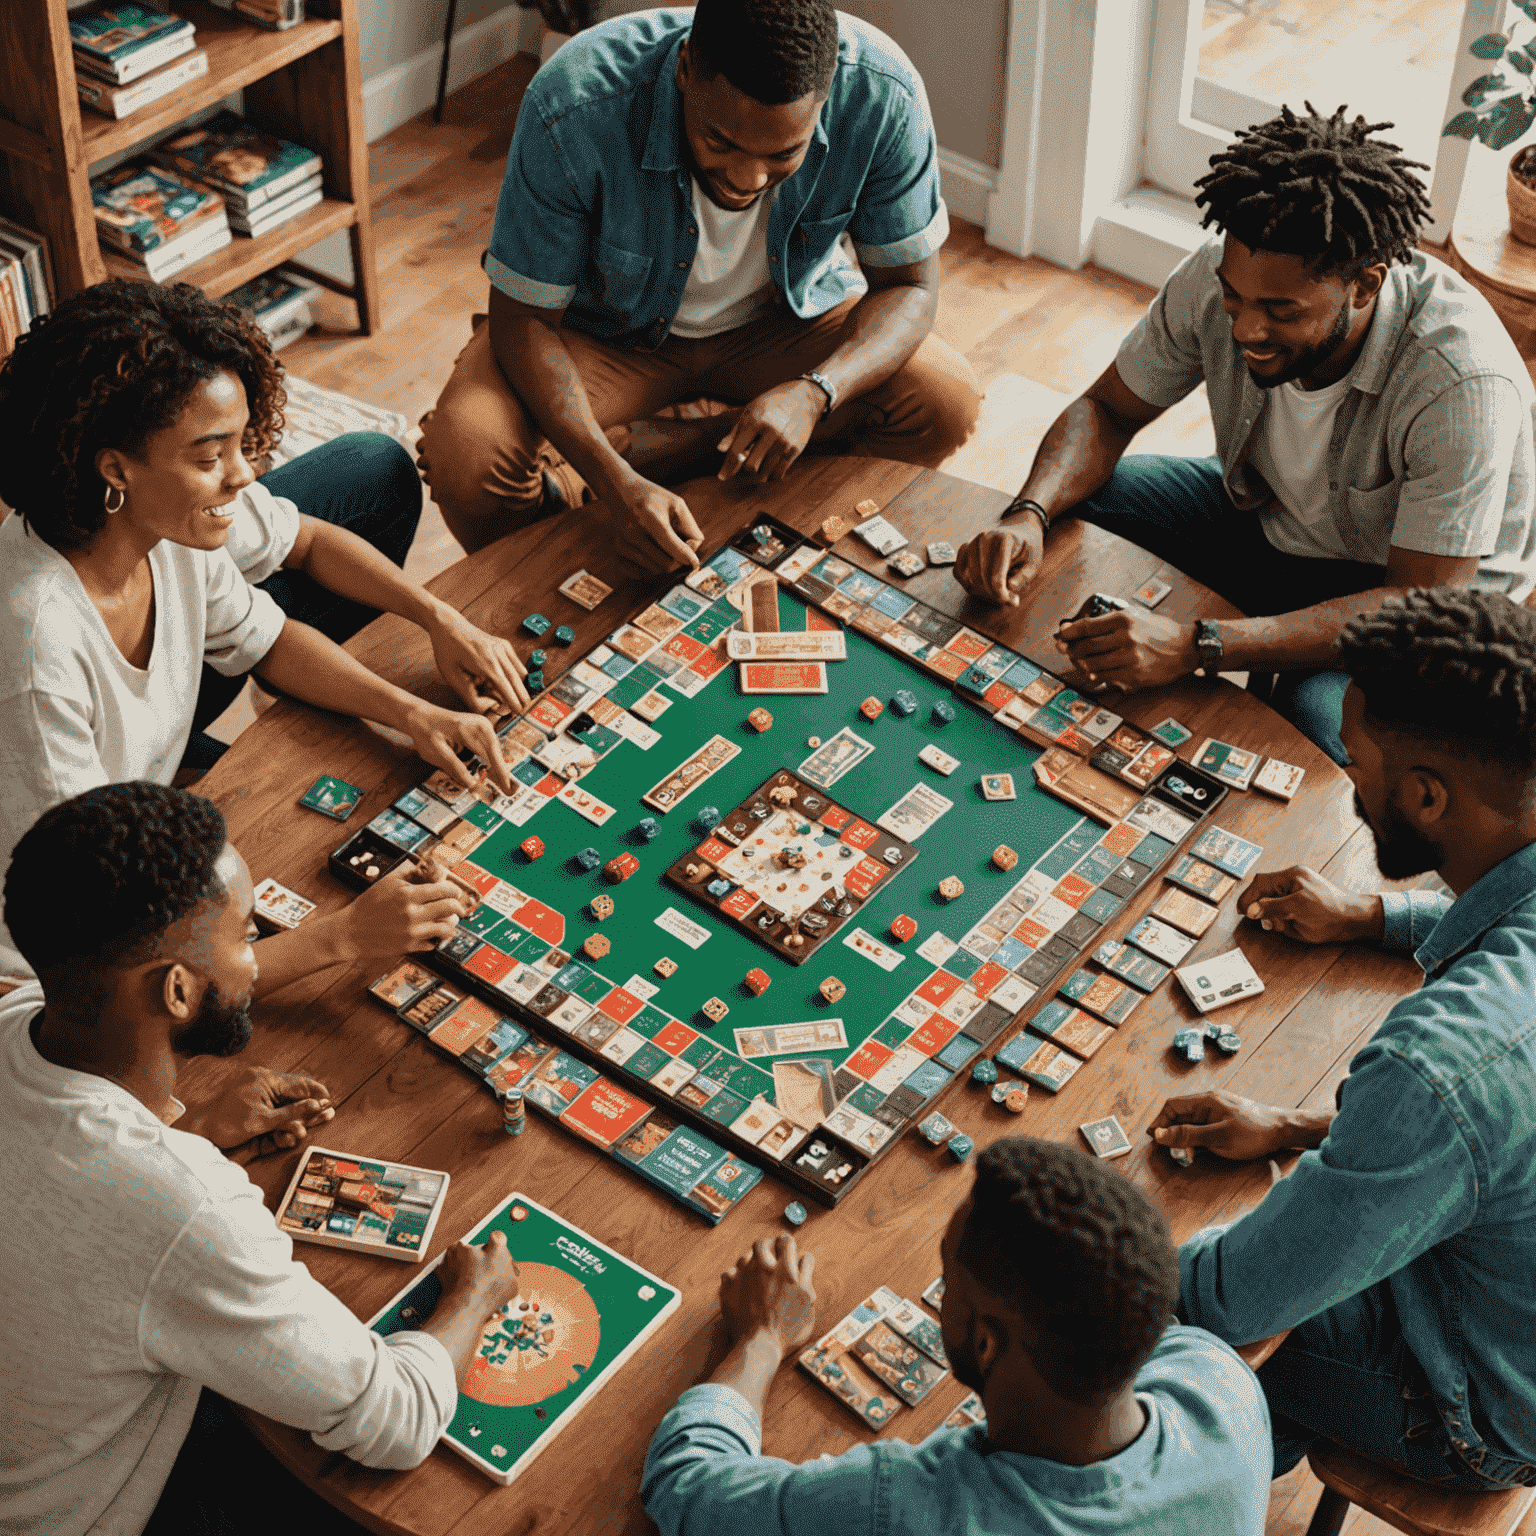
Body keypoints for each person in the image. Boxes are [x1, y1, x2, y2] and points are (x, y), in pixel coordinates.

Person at [0, 781, 522, 1536]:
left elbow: (65, 1189)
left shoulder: (17, 1008)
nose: (255, 961)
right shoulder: (185, 1208)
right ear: (177, 991)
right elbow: (397, 1420)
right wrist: (475, 1297)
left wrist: (191, 1131)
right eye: (246, 938)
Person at [953, 104, 1535, 764]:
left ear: (1366, 283)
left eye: (1280, 310)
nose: (1244, 330)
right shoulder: (1218, 278)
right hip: (1274, 522)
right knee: (1089, 501)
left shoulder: (1459, 382)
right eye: (1236, 297)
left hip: (1419, 607)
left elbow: (1417, 604)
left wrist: (1199, 644)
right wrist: (1027, 513)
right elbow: (1108, 411)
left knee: (1321, 724)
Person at [0, 279, 516, 976]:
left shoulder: (162, 525)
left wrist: (413, 711)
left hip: (133, 807)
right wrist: (340, 939)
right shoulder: (35, 650)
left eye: (243, 444)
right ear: (115, 468)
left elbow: (269, 639)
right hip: (56, 947)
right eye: (210, 456)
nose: (243, 476)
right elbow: (102, 966)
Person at [1149, 588, 1536, 1489]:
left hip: (1480, 1406)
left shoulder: (1434, 1070)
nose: (1352, 783)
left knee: (1146, 1321)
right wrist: (1374, 915)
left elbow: (1230, 1295)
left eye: (1358, 764)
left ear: (1428, 795)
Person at [417, 0, 981, 561]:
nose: (747, 178)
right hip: (605, 336)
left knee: (943, 400)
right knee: (468, 457)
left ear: (828, 93)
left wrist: (815, 394)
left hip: (784, 323)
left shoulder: (884, 93)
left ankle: (678, 448)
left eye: (785, 153)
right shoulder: (575, 101)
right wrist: (614, 482)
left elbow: (910, 288)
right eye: (721, 141)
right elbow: (524, 320)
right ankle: (630, 484)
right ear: (686, 67)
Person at [642, 1137, 1272, 1535]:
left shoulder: (908, 1509)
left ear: (981, 1342)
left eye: (949, 1284)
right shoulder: (1220, 1384)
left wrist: (761, 1338)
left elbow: (684, 1488)